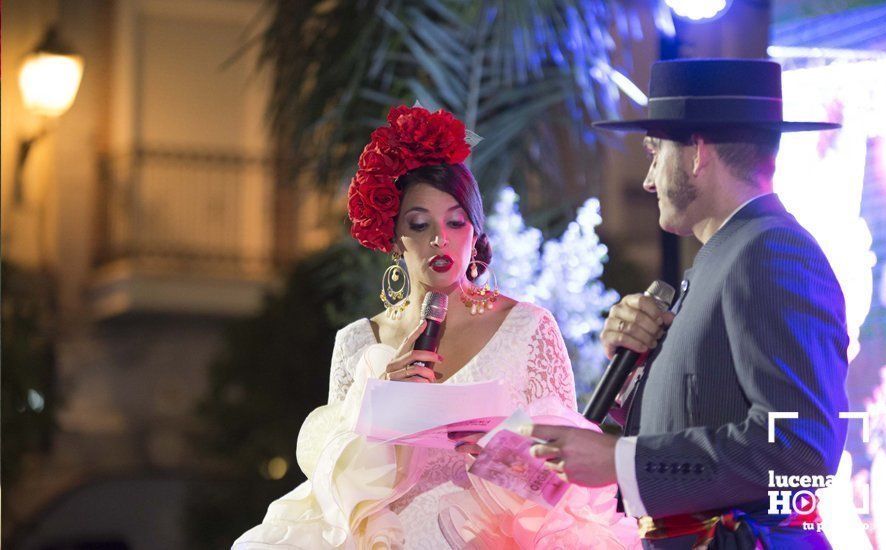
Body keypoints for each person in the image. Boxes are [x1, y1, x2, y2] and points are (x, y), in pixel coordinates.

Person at [233, 105, 639, 549]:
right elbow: (337, 492)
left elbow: (565, 482)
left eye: (455, 221)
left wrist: (498, 451)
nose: (439, 239)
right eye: (419, 223)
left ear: (475, 233)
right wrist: (381, 405)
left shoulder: (527, 327)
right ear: (392, 238)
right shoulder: (357, 341)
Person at [525, 59, 849, 549]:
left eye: (655, 152)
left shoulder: (770, 251)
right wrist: (629, 379)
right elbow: (703, 412)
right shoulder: (728, 255)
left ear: (697, 153)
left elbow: (802, 447)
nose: (649, 179)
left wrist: (619, 460)